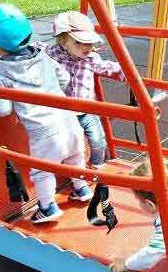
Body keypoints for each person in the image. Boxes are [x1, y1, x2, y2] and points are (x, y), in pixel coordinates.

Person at [0, 0, 93, 223]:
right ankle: (81, 189)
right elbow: (64, 77)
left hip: (43, 130)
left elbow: (1, 109)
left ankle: (48, 208)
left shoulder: (1, 71)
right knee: (75, 156)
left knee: (42, 170)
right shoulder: (43, 56)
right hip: (68, 119)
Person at [45, 11, 126, 169]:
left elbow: (108, 67)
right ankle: (71, 169)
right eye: (79, 43)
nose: (87, 47)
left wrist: (126, 72)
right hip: (63, 110)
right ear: (63, 41)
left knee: (97, 139)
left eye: (90, 43)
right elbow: (35, 51)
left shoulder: (91, 58)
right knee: (68, 142)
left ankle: (97, 164)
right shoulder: (52, 54)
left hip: (86, 108)